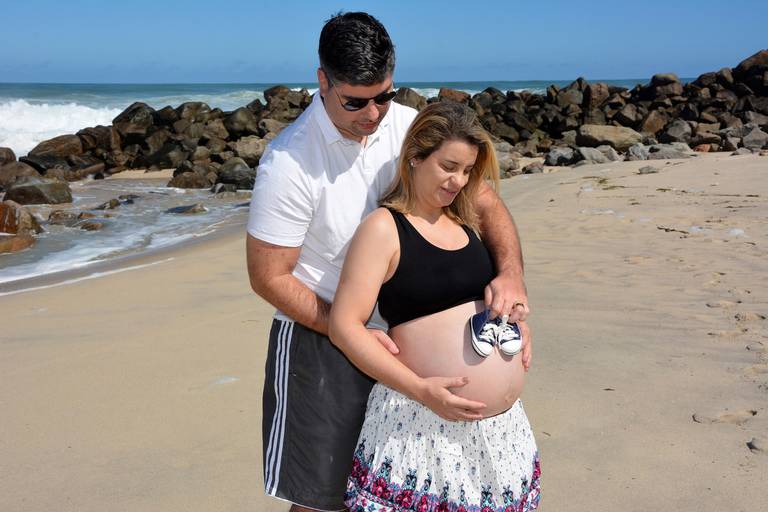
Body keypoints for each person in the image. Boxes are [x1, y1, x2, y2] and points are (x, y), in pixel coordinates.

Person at [246, 12, 531, 512]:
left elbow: (483, 201)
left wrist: (511, 274)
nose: (373, 113)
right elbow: (268, 276)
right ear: (323, 82)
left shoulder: (406, 127)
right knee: (320, 498)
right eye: (355, 101)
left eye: (384, 96)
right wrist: (345, 328)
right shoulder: (289, 162)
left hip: (402, 334)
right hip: (320, 335)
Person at [329, 101, 540, 511]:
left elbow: (477, 301)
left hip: (497, 436)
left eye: (467, 170)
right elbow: (344, 325)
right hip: (422, 424)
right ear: (415, 157)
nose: (458, 180)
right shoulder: (384, 228)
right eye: (448, 166)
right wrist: (423, 391)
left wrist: (513, 322)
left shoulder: (464, 223)